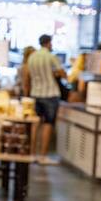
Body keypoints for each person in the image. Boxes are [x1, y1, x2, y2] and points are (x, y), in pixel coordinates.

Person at [24, 34, 66, 164]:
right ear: (48, 43)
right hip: (50, 94)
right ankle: (42, 156)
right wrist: (56, 74)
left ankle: (31, 154)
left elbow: (28, 77)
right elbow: (62, 74)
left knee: (35, 124)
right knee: (48, 124)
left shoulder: (32, 57)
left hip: (35, 93)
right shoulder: (51, 56)